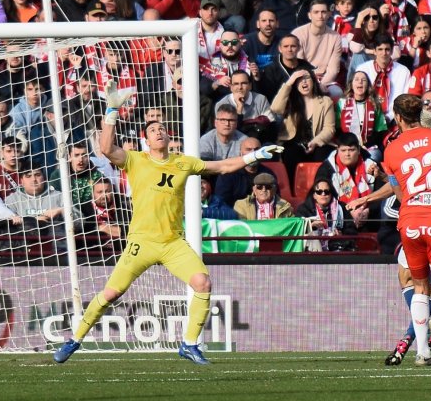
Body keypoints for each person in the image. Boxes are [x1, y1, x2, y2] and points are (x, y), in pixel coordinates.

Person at [53, 80, 283, 365]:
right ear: (146, 141)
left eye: (161, 128)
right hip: (142, 242)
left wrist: (254, 155)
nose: (159, 131)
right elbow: (105, 147)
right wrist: (112, 110)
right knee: (111, 294)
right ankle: (75, 340)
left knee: (203, 283)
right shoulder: (136, 160)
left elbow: (221, 166)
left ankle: (189, 344)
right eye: (152, 130)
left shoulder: (182, 162)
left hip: (173, 242)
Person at [351, 95, 431, 366]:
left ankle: (423, 352)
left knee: (419, 287)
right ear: (422, 112)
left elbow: (400, 194)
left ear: (398, 117)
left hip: (410, 221)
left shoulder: (391, 150)